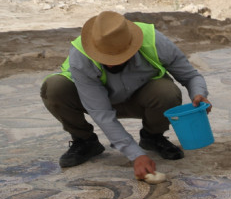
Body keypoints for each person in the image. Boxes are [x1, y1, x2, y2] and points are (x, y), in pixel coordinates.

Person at [42, 11, 210, 179]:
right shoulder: (81, 55)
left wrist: (199, 94)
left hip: (140, 97)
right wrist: (136, 155)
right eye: (107, 56)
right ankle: (85, 141)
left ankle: (153, 136)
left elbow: (190, 76)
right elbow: (101, 112)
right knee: (55, 88)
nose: (114, 62)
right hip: (96, 100)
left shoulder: (154, 40)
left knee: (167, 92)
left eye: (121, 55)